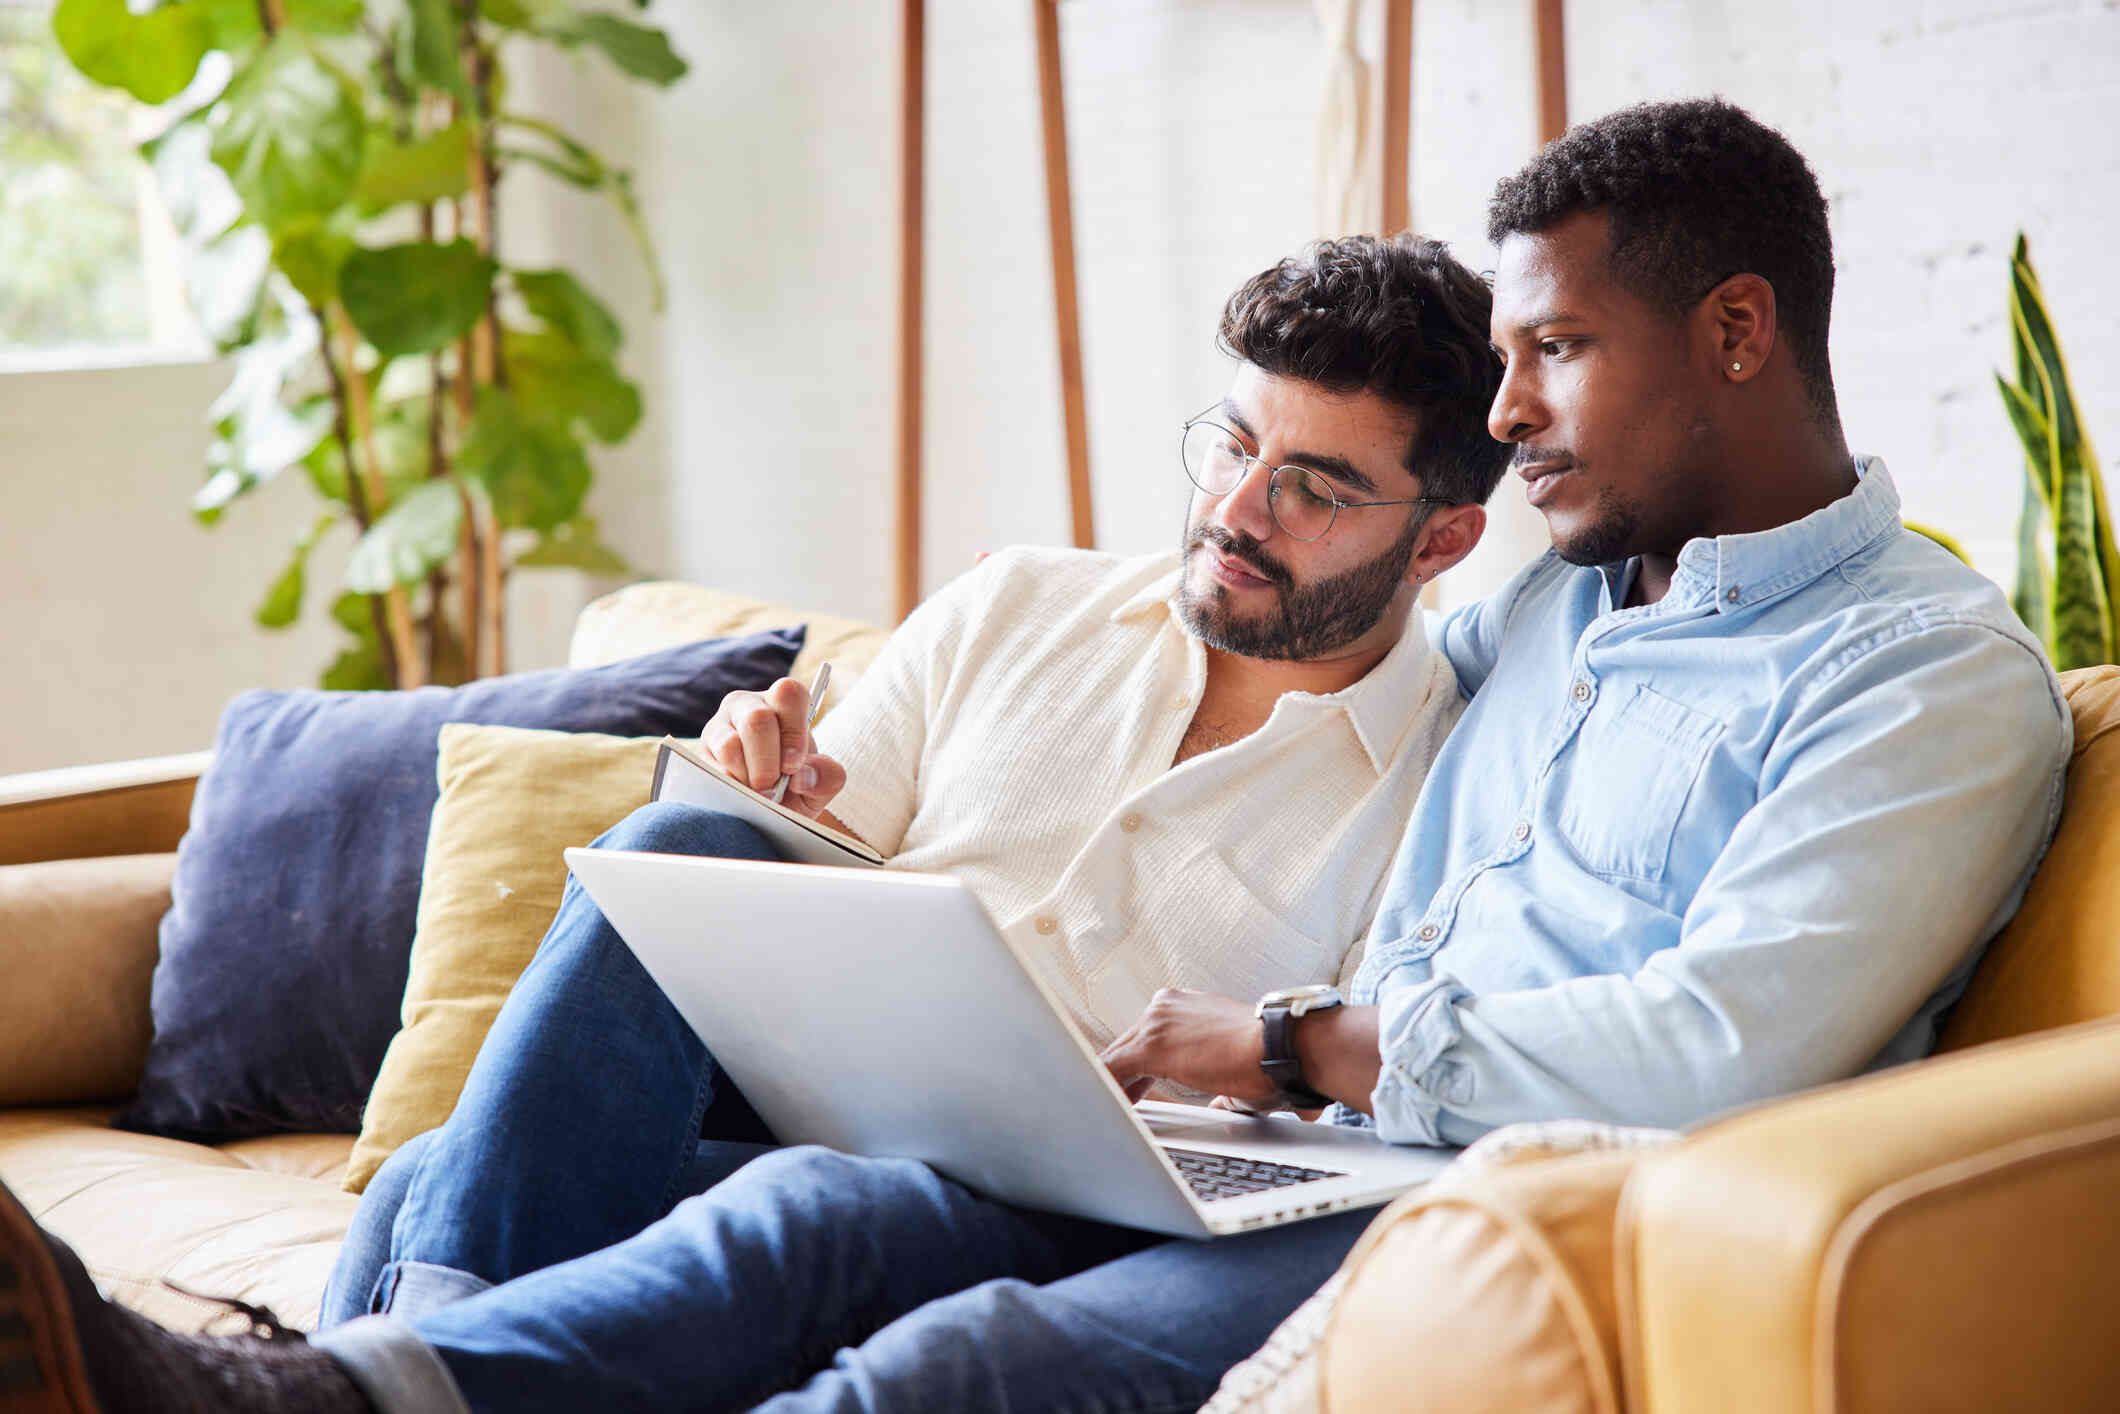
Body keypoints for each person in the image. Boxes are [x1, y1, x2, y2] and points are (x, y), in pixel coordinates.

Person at [0, 234, 1517, 1414]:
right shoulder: (1019, 605)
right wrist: (767, 799)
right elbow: (792, 873)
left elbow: (1368, 1084)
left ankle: (376, 1371)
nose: (1235, 507)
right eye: (1228, 441)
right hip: (795, 1113)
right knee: (685, 853)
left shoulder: (1452, 769)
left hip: (1070, 1218)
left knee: (597, 1196)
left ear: (1445, 536)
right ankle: (405, 1368)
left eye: (1313, 486)